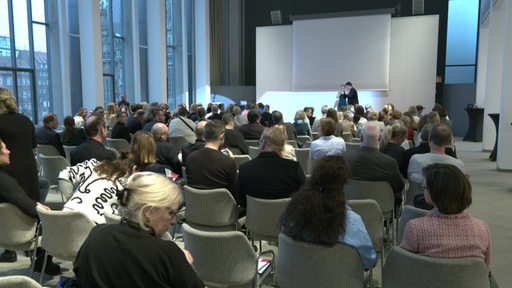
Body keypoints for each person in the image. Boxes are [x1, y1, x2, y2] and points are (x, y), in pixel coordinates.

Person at [74, 172, 205, 288]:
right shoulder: (166, 253)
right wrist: (186, 265)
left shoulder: (97, 233)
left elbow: (78, 272)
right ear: (149, 211)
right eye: (171, 213)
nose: (174, 221)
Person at [281, 156, 376, 270]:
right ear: (343, 185)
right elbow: (368, 261)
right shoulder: (352, 222)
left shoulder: (293, 213)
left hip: (296, 276)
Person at [400, 164, 494, 279]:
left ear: (435, 192)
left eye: (424, 186)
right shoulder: (482, 228)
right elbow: (486, 270)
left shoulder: (415, 228)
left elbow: (403, 267)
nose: (423, 189)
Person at [0, 138, 60, 273]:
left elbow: (20, 200)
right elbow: (27, 207)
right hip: (22, 231)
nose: (9, 151)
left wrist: (34, 203)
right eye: (4, 148)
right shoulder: (4, 181)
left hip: (4, 231)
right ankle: (44, 263)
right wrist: (45, 211)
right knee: (59, 219)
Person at [238, 126, 305, 208]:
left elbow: (242, 203)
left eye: (259, 142)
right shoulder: (294, 168)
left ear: (263, 143)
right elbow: (304, 198)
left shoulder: (244, 169)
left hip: (255, 219)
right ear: (282, 147)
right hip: (287, 219)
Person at [59, 154, 135, 224]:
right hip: (95, 228)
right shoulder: (129, 184)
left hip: (64, 216)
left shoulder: (95, 165)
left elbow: (64, 174)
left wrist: (69, 198)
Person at [344, 122, 404, 208]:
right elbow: (399, 187)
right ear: (379, 138)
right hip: (382, 208)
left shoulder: (346, 159)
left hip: (351, 207)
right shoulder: (390, 163)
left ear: (361, 138)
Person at [0, 88, 40, 201]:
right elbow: (33, 147)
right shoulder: (26, 120)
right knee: (30, 206)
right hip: (29, 170)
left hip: (6, 174)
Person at [185, 120, 238, 202]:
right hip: (222, 210)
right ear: (222, 136)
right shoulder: (227, 162)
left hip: (196, 207)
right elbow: (234, 193)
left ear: (204, 136)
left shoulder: (190, 158)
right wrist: (230, 161)